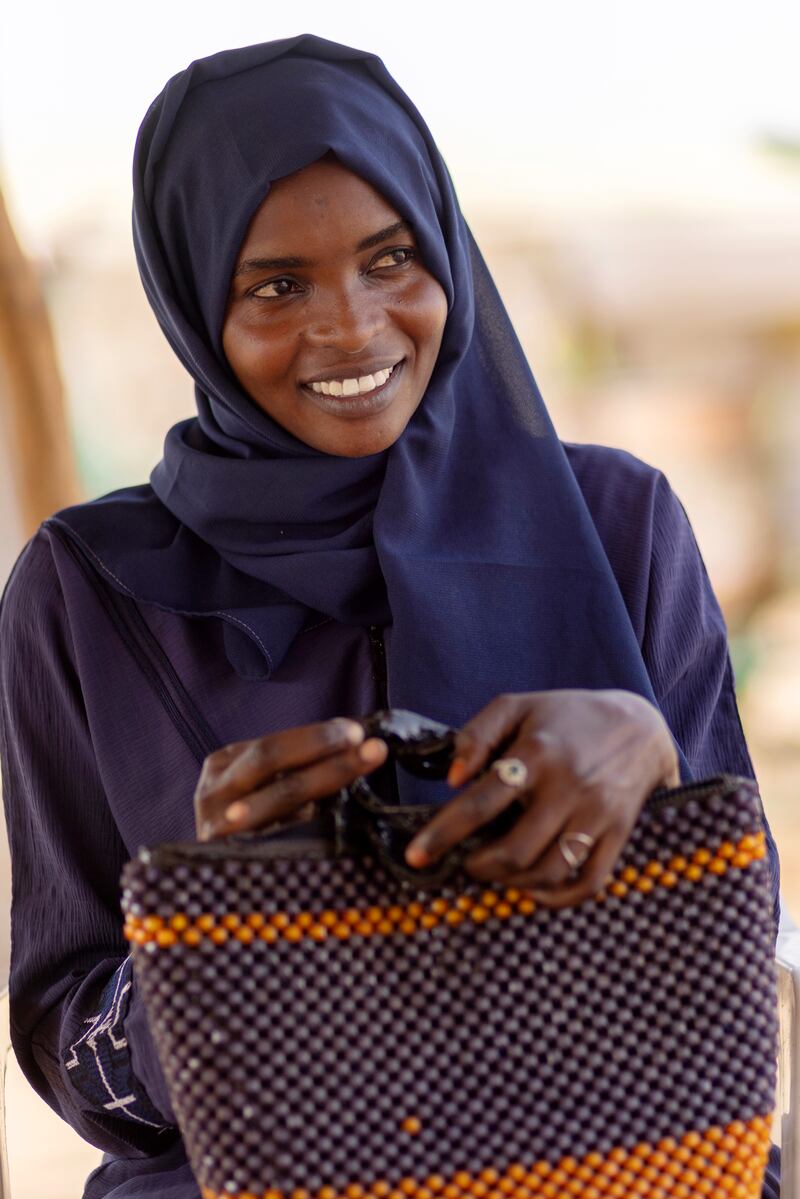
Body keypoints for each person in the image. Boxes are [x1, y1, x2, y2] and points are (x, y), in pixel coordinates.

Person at [0, 34, 780, 1199]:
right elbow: (75, 1057)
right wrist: (218, 926)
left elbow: (728, 949)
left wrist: (650, 757)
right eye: (274, 285)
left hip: (621, 1169)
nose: (353, 328)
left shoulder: (616, 521)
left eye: (390, 258)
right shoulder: (87, 587)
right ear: (188, 296)